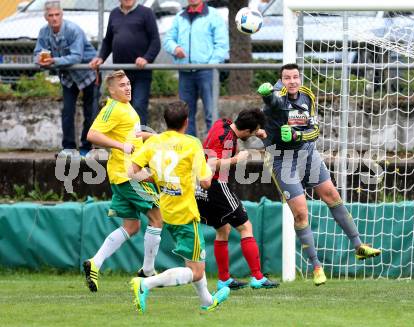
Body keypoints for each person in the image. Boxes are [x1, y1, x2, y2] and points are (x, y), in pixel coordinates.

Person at [257, 63, 381, 286]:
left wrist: (296, 136)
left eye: (296, 77)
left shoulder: (307, 96)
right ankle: (316, 267)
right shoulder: (276, 98)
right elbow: (273, 104)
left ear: (300, 79)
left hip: (307, 154)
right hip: (282, 160)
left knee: (332, 196)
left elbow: (314, 131)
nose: (292, 81)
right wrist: (267, 96)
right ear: (281, 80)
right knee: (301, 214)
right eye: (287, 78)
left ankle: (359, 246)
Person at [129, 100, 230, 313]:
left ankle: (206, 301)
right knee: (195, 271)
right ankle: (145, 284)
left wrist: (153, 179)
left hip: (167, 209)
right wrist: (210, 169)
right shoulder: (192, 143)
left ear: (165, 121)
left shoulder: (154, 142)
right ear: (187, 121)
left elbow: (132, 171)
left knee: (193, 261)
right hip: (185, 213)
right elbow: (205, 183)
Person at [83, 70, 162, 292]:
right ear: (112, 90)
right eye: (122, 85)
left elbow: (134, 136)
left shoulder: (127, 108)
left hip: (124, 174)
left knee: (132, 226)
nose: (127, 88)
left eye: (128, 84)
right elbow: (92, 134)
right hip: (128, 175)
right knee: (157, 218)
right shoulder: (112, 108)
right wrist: (119, 146)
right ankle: (147, 272)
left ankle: (94, 263)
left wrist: (157, 138)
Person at [196, 109, 279, 290]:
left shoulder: (222, 123)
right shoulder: (227, 139)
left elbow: (241, 130)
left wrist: (256, 131)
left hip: (201, 187)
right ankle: (257, 277)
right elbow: (211, 163)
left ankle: (224, 279)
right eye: (253, 131)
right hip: (217, 186)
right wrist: (235, 160)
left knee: (223, 229)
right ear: (247, 130)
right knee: (245, 227)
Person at [34, 0, 99, 158]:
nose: (54, 18)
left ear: (62, 15)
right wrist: (39, 59)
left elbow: (76, 57)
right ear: (46, 17)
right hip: (68, 76)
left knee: (90, 112)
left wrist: (53, 62)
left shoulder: (73, 30)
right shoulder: (44, 32)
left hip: (88, 73)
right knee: (67, 111)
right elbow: (37, 51)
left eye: (57, 15)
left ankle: (86, 147)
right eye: (51, 15)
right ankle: (68, 148)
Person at [89, 0, 160, 126]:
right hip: (120, 73)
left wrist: (146, 58)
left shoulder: (146, 13)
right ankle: (123, 144)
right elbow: (108, 41)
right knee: (121, 110)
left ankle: (139, 143)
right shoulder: (114, 14)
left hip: (141, 73)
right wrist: (100, 57)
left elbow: (155, 41)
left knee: (138, 107)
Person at [163, 0, 229, 137]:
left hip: (207, 72)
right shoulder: (179, 16)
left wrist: (210, 65)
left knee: (211, 113)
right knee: (185, 115)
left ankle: (213, 148)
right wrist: (175, 48)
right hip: (185, 72)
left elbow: (222, 45)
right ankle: (190, 148)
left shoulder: (214, 15)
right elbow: (167, 39)